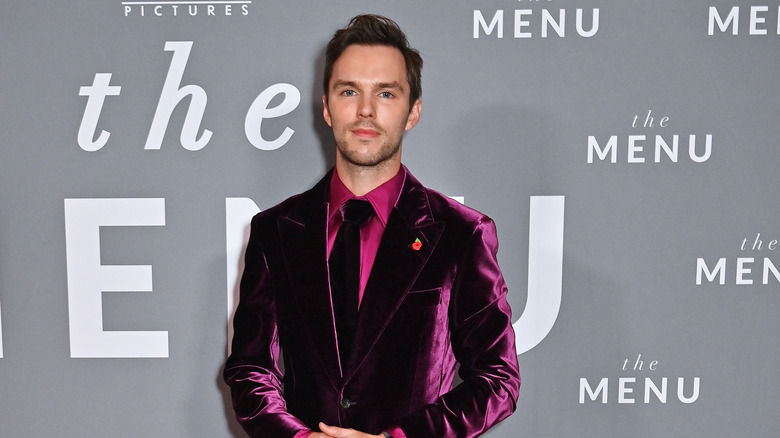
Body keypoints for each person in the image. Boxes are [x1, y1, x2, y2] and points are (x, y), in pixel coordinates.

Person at [224, 14, 520, 438]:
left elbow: (498, 379)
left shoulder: (460, 234)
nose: (365, 109)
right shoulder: (276, 231)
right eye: (349, 91)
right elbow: (251, 370)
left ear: (412, 111)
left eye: (385, 92)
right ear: (326, 107)